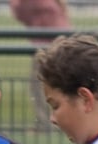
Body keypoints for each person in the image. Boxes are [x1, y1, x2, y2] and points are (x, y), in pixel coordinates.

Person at [9, 0, 71, 129]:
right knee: (56, 86)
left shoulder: (38, 3)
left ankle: (46, 123)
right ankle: (56, 121)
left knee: (39, 86)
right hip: (59, 44)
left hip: (48, 46)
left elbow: (20, 12)